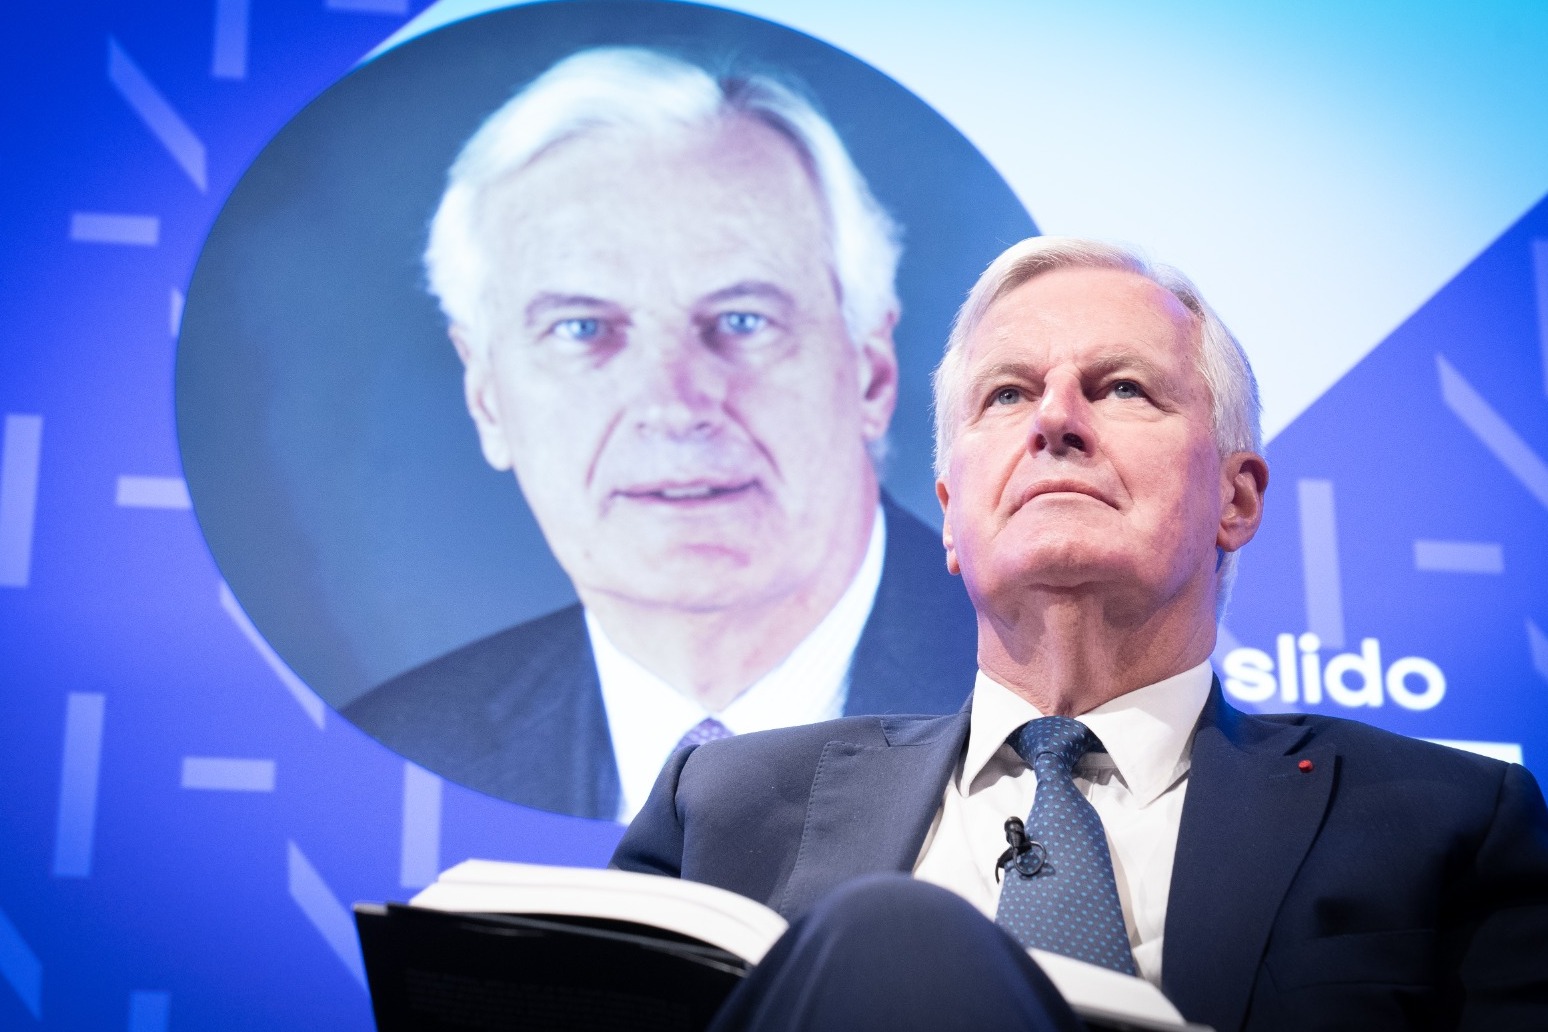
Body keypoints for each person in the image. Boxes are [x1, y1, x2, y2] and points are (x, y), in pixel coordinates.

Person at [611, 237, 1548, 1030]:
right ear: (950, 514)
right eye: (1007, 395)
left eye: (1123, 388)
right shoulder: (723, 806)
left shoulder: (1446, 821)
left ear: (1235, 498)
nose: (1056, 421)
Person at [343, 47, 977, 822]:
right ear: (486, 400)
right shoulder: (393, 760)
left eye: (742, 320)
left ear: (871, 375)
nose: (673, 404)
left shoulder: (1063, 700)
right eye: (582, 329)